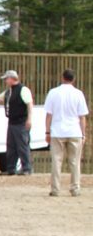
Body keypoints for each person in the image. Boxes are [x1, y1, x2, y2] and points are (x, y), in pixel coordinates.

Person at [44, 69, 88, 197]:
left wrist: (47, 132)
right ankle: (75, 188)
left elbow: (49, 115)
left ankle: (55, 189)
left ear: (62, 78)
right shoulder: (78, 94)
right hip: (74, 131)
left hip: (57, 131)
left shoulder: (53, 92)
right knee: (74, 162)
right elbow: (82, 117)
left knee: (56, 161)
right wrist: (83, 134)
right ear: (73, 79)